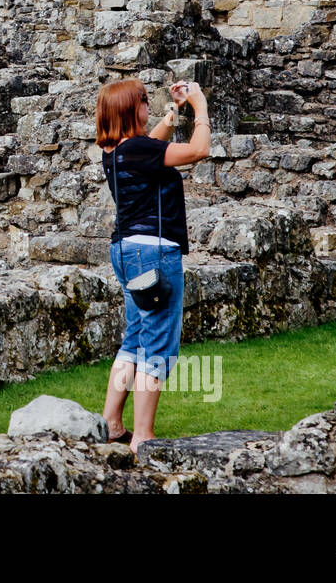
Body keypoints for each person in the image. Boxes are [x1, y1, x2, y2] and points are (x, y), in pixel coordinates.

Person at [95, 77, 210, 453]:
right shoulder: (139, 150)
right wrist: (200, 105)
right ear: (131, 110)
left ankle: (112, 423)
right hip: (154, 255)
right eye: (143, 101)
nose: (148, 106)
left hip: (125, 251)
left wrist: (171, 116)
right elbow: (198, 151)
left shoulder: (114, 151)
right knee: (158, 343)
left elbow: (151, 146)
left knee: (134, 338)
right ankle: (143, 436)